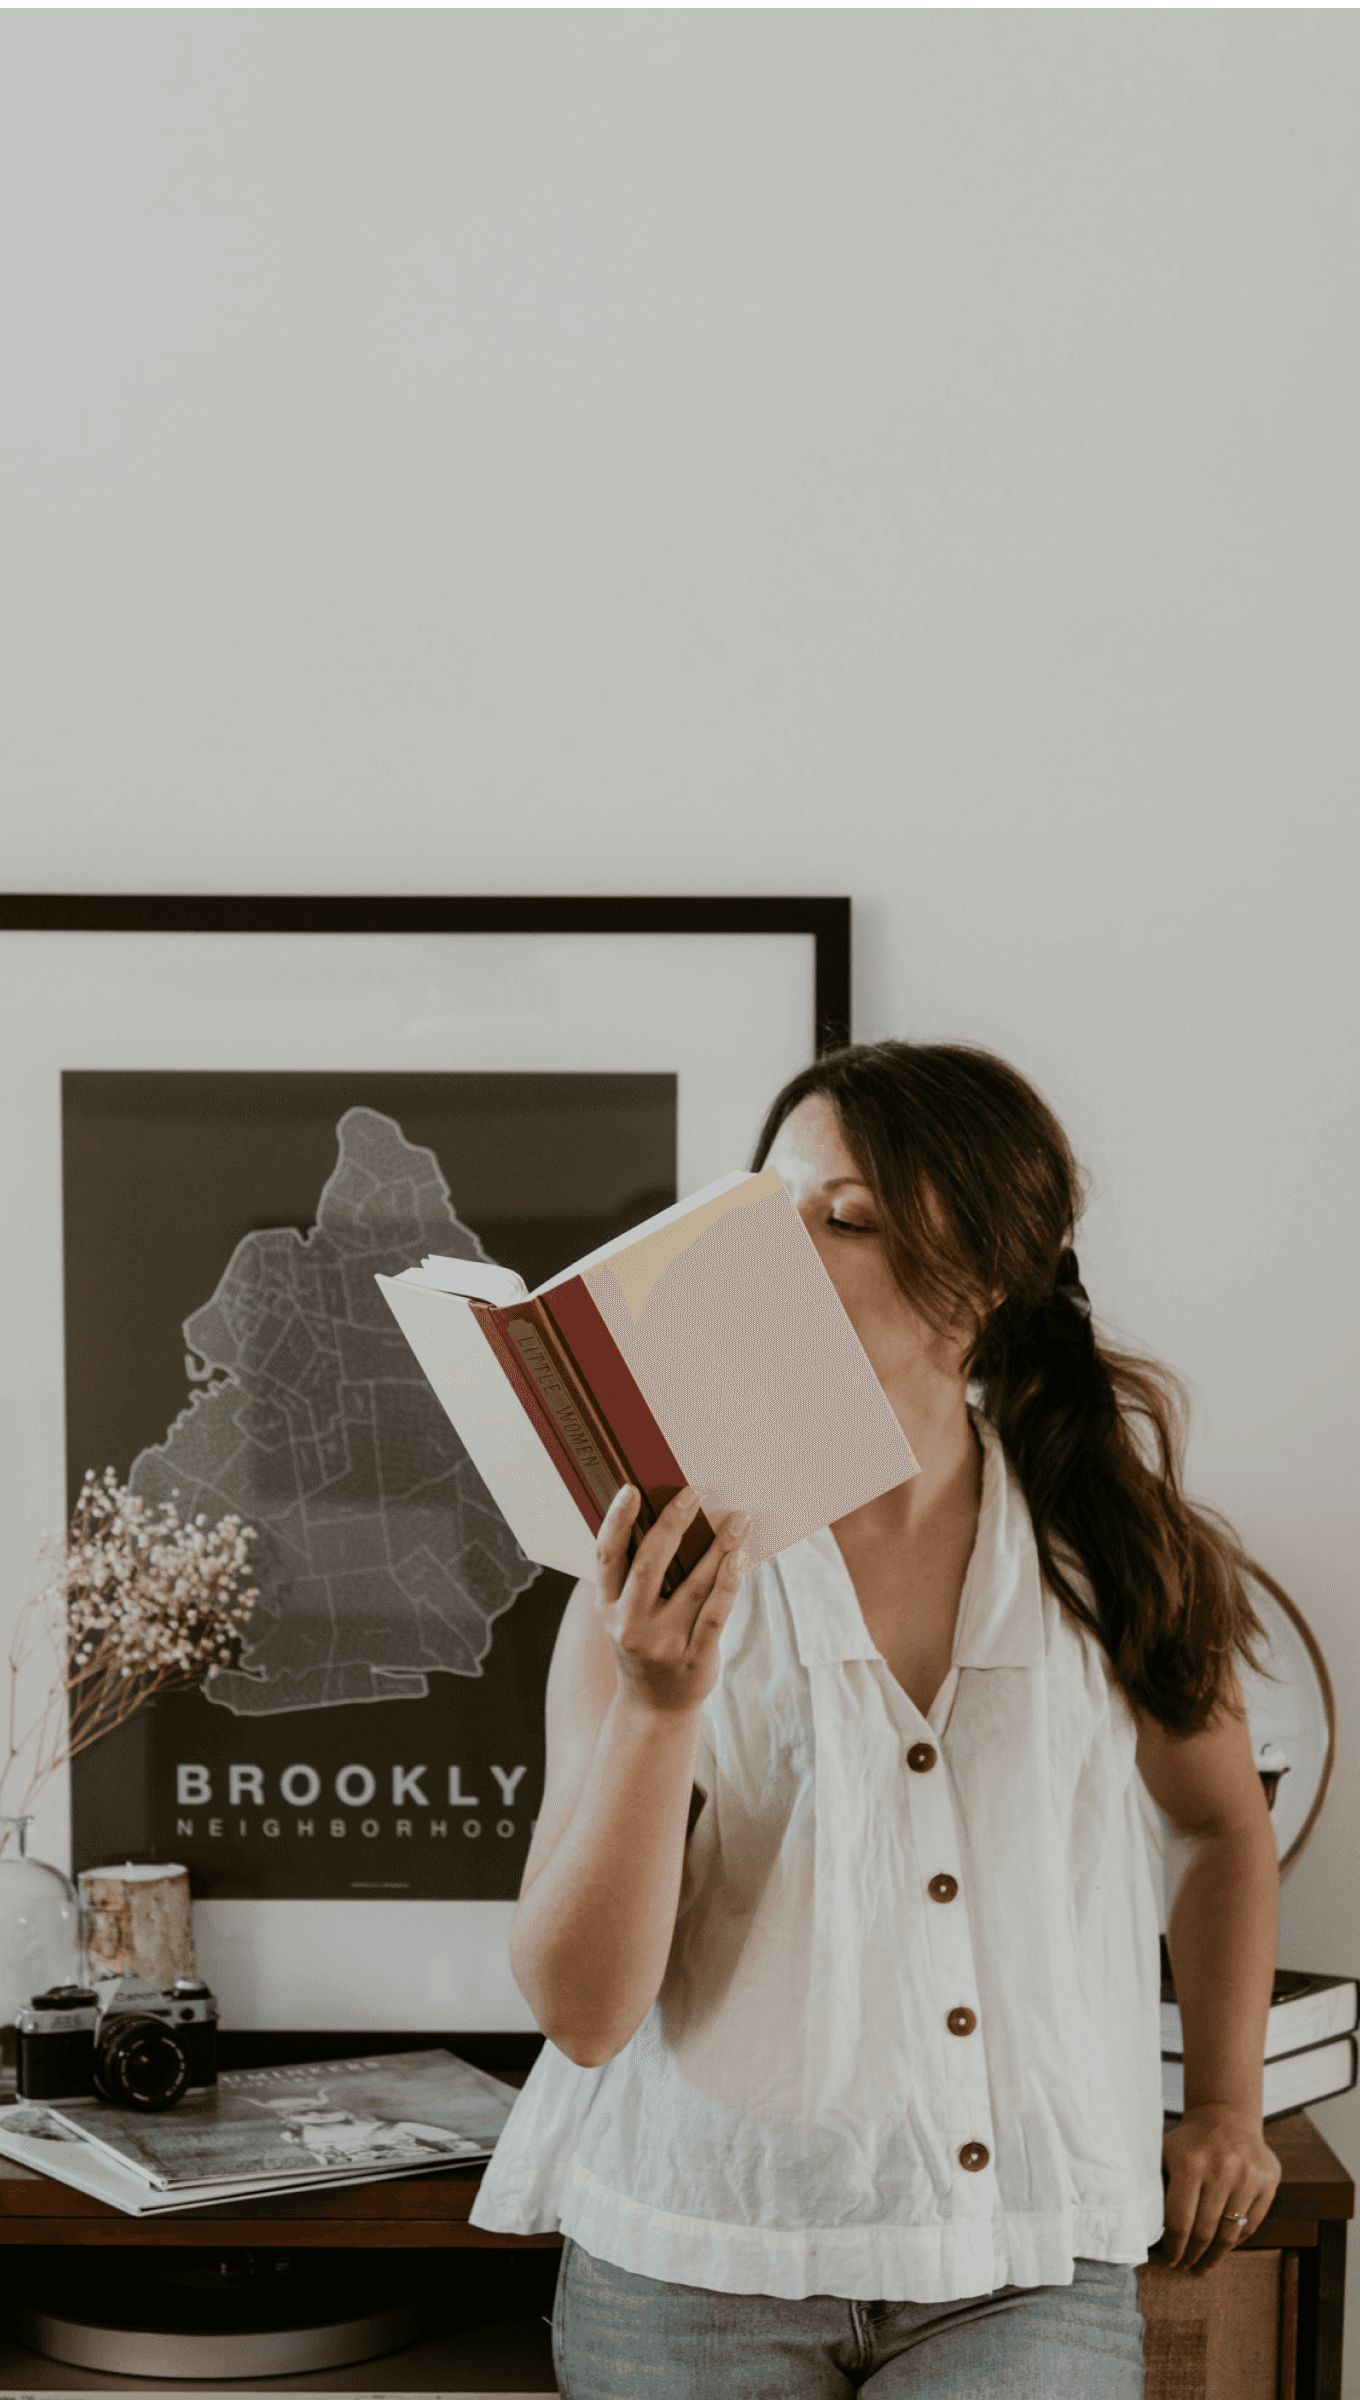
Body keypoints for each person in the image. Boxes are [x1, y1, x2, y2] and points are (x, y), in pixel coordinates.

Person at [471, 1041, 1283, 2398]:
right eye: (764, 1214)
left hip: (1025, 2261)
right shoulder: (652, 1571)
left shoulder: (1118, 1547)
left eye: (842, 1219)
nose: (777, 1258)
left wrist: (1224, 2107)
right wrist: (663, 1706)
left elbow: (1221, 1827)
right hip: (693, 2260)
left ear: (992, 1276)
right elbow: (583, 2014)